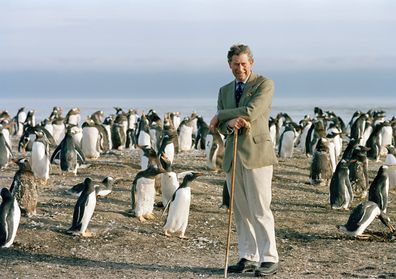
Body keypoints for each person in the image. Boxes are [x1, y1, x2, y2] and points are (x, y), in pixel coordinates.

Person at [209, 44, 279, 277]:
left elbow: (250, 111)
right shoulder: (223, 90)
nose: (240, 68)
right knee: (240, 210)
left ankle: (269, 258)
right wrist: (227, 122)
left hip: (256, 154)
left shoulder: (264, 84)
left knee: (260, 209)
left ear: (252, 63)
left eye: (244, 64)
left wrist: (221, 115)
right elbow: (222, 126)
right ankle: (248, 256)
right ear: (229, 65)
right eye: (235, 64)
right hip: (233, 154)